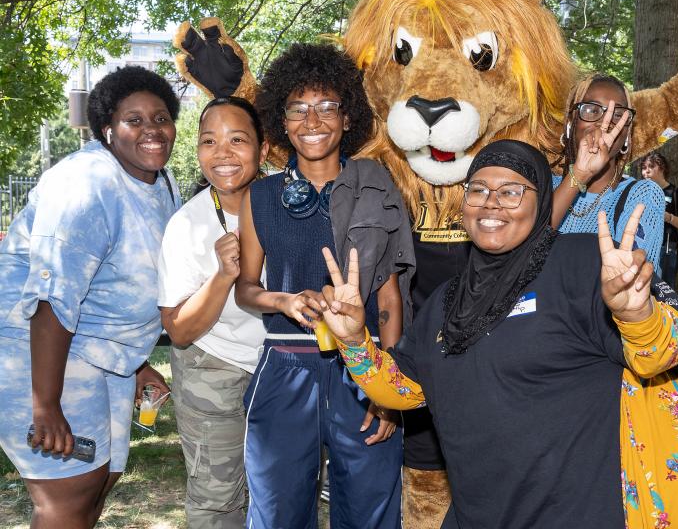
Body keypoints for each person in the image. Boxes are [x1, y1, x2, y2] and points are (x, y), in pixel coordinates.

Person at [319, 140, 678, 528]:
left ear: (541, 204)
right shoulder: (447, 301)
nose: (491, 203)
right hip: (481, 512)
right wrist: (355, 341)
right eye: (478, 189)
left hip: (581, 513)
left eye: (511, 191)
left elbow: (658, 357)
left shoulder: (583, 263)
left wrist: (637, 314)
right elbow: (403, 389)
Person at [235, 43, 413, 528]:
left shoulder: (377, 187)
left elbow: (391, 302)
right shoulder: (262, 195)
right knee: (277, 512)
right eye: (298, 109)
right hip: (286, 365)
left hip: (363, 365)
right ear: (282, 120)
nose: (313, 121)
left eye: (327, 107)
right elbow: (246, 288)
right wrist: (284, 300)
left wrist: (386, 388)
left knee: (371, 510)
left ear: (348, 116)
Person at [0, 66, 177, 527]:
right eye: (133, 120)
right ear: (107, 129)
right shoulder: (87, 183)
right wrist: (46, 404)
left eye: (160, 118)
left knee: (98, 484)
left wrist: (137, 364)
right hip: (36, 351)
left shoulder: (160, 182)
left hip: (101, 356)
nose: (151, 130)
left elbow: (118, 285)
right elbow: (50, 299)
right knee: (68, 497)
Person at [158, 97, 269, 527]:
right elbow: (179, 330)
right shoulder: (187, 225)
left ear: (262, 150)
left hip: (281, 368)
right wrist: (223, 275)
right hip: (214, 367)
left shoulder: (289, 204)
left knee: (280, 487)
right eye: (209, 141)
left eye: (237, 139)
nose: (222, 153)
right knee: (218, 497)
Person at [552, 74, 664, 272]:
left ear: (627, 133)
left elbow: (629, 283)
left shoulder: (642, 195)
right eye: (592, 109)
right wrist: (579, 174)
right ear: (571, 122)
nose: (605, 121)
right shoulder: (543, 185)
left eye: (618, 114)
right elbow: (524, 253)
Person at [641, 152, 678, 287]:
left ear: (662, 168)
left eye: (651, 166)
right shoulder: (640, 192)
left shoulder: (676, 193)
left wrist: (668, 217)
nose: (646, 171)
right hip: (642, 248)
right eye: (643, 167)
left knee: (664, 290)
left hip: (667, 249)